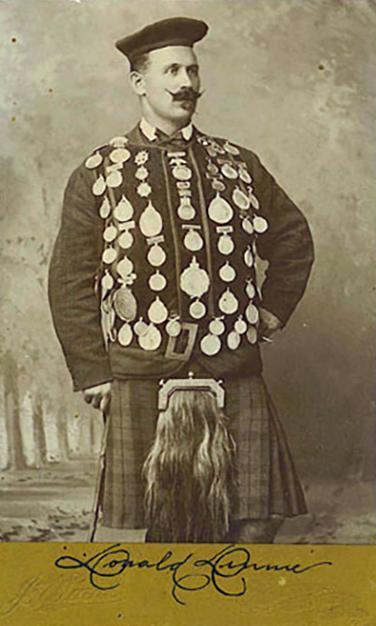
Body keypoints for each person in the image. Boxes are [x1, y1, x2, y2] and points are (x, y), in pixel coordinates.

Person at [48, 17, 314, 543]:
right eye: (171, 70)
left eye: (192, 70)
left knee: (259, 518)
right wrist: (93, 371)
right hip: (141, 370)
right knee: (151, 529)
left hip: (231, 365)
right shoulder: (100, 171)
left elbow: (293, 239)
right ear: (139, 81)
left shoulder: (237, 164)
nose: (186, 82)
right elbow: (69, 280)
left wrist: (273, 308)